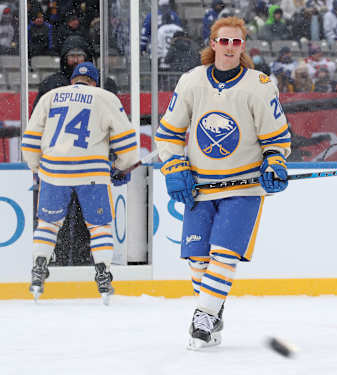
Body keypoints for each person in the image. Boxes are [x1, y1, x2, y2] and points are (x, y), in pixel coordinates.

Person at [154, 16, 291, 349]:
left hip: (242, 189)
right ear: (213, 44)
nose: (230, 47)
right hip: (201, 187)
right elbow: (170, 132)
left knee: (224, 254)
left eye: (237, 42)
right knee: (198, 261)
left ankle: (202, 317)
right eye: (224, 41)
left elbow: (275, 138)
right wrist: (173, 164)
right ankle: (215, 310)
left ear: (243, 47)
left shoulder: (258, 84)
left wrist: (274, 160)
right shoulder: (191, 81)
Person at [21, 62, 139, 304]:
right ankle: (103, 272)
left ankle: (38, 266)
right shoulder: (105, 97)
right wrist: (119, 166)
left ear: (72, 80)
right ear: (94, 82)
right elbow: (127, 145)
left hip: (54, 170)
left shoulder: (50, 96)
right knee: (99, 226)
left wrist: (38, 168)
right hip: (92, 171)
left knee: (49, 223)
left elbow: (31, 139)